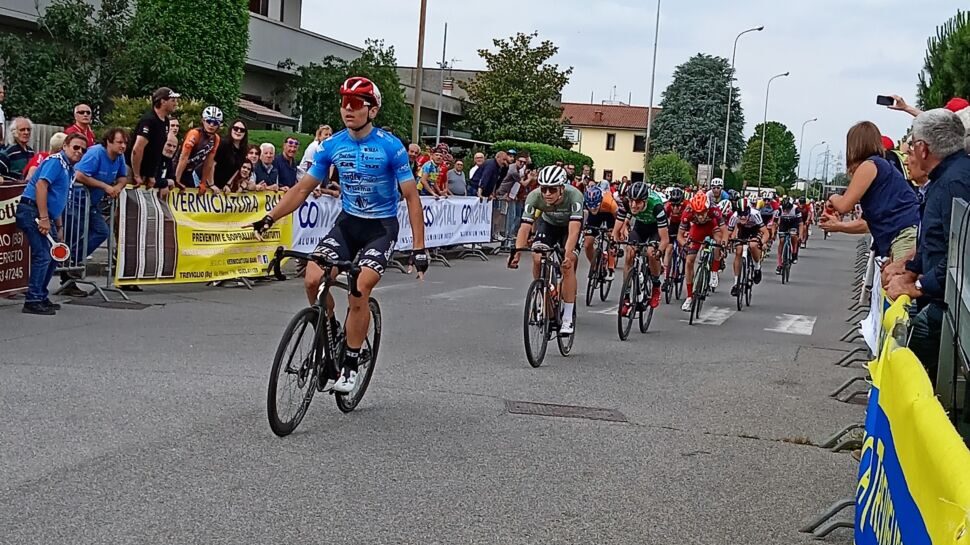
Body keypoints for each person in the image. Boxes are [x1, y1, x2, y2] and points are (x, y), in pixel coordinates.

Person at [252, 76, 427, 394]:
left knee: (358, 289)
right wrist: (269, 217)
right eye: (345, 102)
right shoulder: (331, 146)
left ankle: (350, 363)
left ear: (372, 110)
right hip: (347, 224)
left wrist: (419, 248)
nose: (348, 108)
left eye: (357, 103)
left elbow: (413, 198)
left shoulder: (391, 147)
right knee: (311, 278)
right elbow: (302, 188)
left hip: (380, 228)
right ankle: (331, 327)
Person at [886, 109, 970, 381]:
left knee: (906, 367)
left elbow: (960, 257)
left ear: (922, 149)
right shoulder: (945, 180)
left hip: (949, 306)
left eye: (910, 145)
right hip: (942, 297)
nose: (908, 152)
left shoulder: (954, 183)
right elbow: (932, 240)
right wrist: (910, 270)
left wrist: (917, 286)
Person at [14, 133, 87, 314]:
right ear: (65, 146)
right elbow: (41, 185)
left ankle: (40, 295)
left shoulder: (68, 168)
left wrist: (59, 226)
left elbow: (59, 200)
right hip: (33, 211)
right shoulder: (56, 162)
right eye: (75, 147)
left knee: (54, 256)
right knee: (43, 255)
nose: (79, 152)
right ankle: (32, 300)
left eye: (83, 150)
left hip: (44, 214)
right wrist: (44, 218)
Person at [826, 121, 920, 261]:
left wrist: (832, 197)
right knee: (891, 279)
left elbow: (844, 206)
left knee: (899, 281)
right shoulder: (882, 165)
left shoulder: (869, 165)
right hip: (905, 232)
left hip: (903, 234)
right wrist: (839, 225)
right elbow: (867, 223)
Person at [508, 165, 583, 335]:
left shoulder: (575, 196)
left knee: (567, 265)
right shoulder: (534, 196)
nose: (547, 193)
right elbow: (525, 227)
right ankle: (543, 291)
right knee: (537, 257)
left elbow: (574, 231)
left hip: (570, 227)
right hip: (548, 224)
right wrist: (517, 252)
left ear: (562, 189)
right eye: (544, 189)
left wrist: (568, 254)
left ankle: (568, 318)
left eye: (552, 189)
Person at [61, 128, 129, 296]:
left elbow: (123, 177)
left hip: (92, 203)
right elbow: (79, 175)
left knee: (101, 231)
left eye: (125, 143)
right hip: (76, 200)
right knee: (74, 235)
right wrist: (105, 186)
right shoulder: (96, 153)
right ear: (109, 142)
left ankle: (73, 261)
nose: (123, 146)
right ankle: (67, 271)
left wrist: (117, 188)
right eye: (119, 142)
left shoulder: (119, 157)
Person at [614, 182, 668, 313]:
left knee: (651, 252)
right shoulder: (627, 203)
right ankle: (626, 296)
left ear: (645, 201)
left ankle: (656, 285)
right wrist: (614, 241)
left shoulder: (657, 206)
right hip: (640, 227)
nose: (633, 205)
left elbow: (665, 239)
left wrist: (659, 251)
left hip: (655, 229)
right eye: (632, 201)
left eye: (638, 202)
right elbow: (616, 231)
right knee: (630, 253)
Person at [678, 191, 725, 312]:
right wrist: (685, 245)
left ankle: (714, 271)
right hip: (697, 230)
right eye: (697, 214)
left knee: (718, 241)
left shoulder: (714, 210)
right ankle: (689, 297)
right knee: (689, 262)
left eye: (702, 213)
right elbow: (680, 236)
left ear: (707, 208)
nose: (700, 216)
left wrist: (724, 243)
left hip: (712, 227)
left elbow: (724, 230)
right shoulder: (688, 212)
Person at [128, 87, 179, 189]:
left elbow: (157, 150)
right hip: (132, 169)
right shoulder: (149, 120)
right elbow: (137, 149)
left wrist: (151, 175)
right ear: (163, 101)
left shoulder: (165, 121)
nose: (176, 103)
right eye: (172, 100)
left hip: (147, 173)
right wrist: (136, 174)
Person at [174, 106, 222, 193]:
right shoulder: (195, 134)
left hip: (189, 171)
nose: (211, 125)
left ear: (218, 125)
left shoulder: (216, 139)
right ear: (203, 121)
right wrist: (176, 180)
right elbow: (183, 157)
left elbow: (209, 162)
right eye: (208, 121)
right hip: (176, 168)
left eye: (215, 123)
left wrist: (203, 182)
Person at [727, 198, 768, 297]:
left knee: (753, 245)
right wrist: (727, 243)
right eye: (740, 214)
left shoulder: (755, 214)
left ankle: (757, 267)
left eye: (745, 214)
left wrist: (762, 243)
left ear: (749, 211)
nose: (743, 217)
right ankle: (736, 283)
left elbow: (765, 232)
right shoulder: (734, 217)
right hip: (742, 231)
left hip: (755, 230)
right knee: (738, 251)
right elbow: (728, 233)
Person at [582, 185, 618, 281]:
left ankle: (611, 267)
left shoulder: (610, 203)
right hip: (594, 217)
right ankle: (595, 266)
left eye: (595, 205)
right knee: (587, 244)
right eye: (590, 206)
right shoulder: (584, 203)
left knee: (612, 237)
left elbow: (618, 219)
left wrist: (616, 231)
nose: (593, 208)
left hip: (609, 214)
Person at [662, 187, 686, 288]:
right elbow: (662, 221)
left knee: (684, 247)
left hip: (684, 225)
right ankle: (665, 278)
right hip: (673, 225)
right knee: (668, 249)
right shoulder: (667, 206)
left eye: (678, 205)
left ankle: (683, 268)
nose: (675, 208)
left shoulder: (687, 206)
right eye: (673, 205)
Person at [213, 119, 248, 189]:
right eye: (236, 128)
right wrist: (211, 184)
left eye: (242, 130)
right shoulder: (223, 144)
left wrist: (228, 184)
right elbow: (211, 164)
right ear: (231, 129)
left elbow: (237, 169)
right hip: (210, 182)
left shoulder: (243, 150)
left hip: (223, 186)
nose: (238, 131)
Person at [773, 198, 802, 273]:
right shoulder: (779, 209)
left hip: (793, 223)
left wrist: (800, 235)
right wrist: (773, 233)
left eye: (788, 208)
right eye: (785, 208)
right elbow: (774, 223)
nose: (786, 210)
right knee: (782, 241)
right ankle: (779, 264)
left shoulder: (796, 209)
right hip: (784, 224)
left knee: (793, 236)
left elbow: (801, 224)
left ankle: (794, 253)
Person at [156, 134, 179, 198]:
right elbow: (150, 180)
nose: (171, 149)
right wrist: (166, 183)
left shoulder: (168, 159)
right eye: (169, 145)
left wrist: (166, 183)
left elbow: (172, 178)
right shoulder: (154, 158)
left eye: (174, 147)